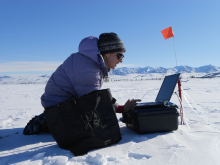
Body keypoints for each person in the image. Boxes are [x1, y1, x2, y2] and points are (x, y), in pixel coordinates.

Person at [23, 32, 141, 135]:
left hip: (63, 103)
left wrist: (121, 108)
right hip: (58, 107)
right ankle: (47, 122)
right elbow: (93, 102)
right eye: (119, 55)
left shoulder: (90, 62)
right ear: (107, 53)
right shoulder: (88, 69)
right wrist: (122, 109)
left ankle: (52, 118)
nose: (121, 60)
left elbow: (95, 95)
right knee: (88, 126)